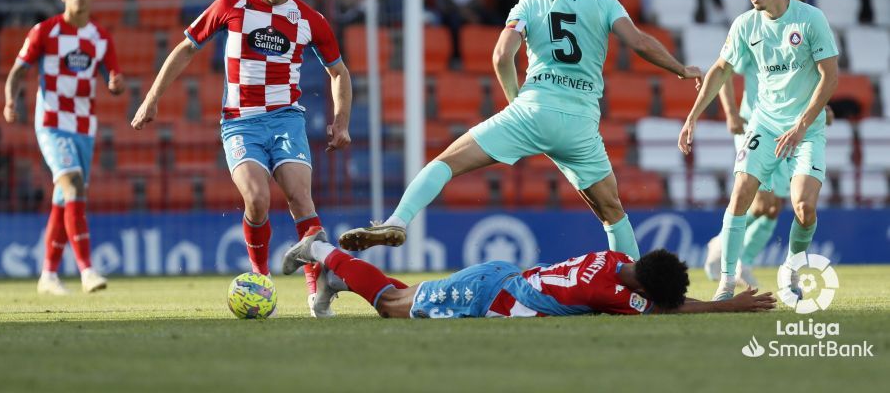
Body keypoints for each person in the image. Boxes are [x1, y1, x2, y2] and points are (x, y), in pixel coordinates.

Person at [339, 0, 701, 256]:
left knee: (447, 162)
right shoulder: (603, 2)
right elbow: (639, 42)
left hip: (533, 109)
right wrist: (680, 69)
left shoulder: (528, 4)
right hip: (581, 123)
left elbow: (501, 56)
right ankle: (634, 284)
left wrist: (515, 99)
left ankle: (398, 221)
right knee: (612, 211)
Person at [131, 0, 353, 319]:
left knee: (301, 198)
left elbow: (339, 72)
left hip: (286, 119)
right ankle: (260, 279)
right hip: (240, 122)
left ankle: (316, 292)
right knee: (257, 199)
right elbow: (186, 48)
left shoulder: (309, 20)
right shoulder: (230, 6)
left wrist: (341, 121)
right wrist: (152, 98)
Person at [678, 0, 839, 301]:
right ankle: (726, 284)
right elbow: (720, 70)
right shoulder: (745, 24)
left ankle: (792, 268)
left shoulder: (811, 19)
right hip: (764, 126)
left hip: (806, 130)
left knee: (803, 207)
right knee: (741, 195)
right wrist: (692, 117)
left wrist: (802, 125)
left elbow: (830, 77)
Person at [286, 227, 776, 318]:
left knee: (409, 294)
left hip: (499, 279)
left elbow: (657, 298)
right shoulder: (606, 291)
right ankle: (320, 249)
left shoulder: (613, 261)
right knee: (393, 308)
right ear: (644, 287)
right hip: (489, 295)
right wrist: (727, 304)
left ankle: (338, 279)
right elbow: (667, 309)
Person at [3, 0, 124, 295]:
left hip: (84, 127)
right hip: (52, 122)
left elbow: (115, 78)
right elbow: (18, 71)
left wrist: (116, 83)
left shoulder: (100, 37)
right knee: (72, 183)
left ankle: (48, 275)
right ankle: (87, 270)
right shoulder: (45, 31)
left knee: (64, 198)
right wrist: (10, 101)